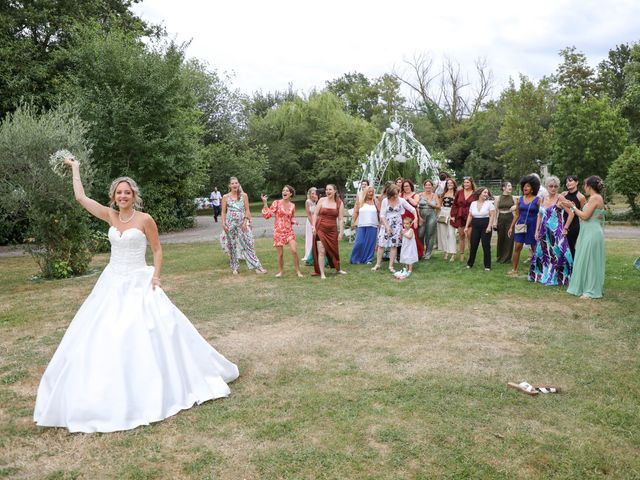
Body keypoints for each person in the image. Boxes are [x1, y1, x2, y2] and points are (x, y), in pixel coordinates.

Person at [34, 156, 239, 433]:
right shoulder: (110, 215)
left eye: (126, 192)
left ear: (133, 196)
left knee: (151, 330)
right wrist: (76, 168)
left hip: (139, 280)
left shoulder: (145, 220)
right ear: (114, 196)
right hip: (111, 282)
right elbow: (81, 198)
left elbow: (157, 250)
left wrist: (156, 274)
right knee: (102, 332)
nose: (122, 196)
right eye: (118, 193)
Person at [563, 176, 606, 299]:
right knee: (586, 258)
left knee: (591, 260)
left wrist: (573, 207)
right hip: (589, 231)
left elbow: (585, 216)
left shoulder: (595, 198)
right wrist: (573, 206)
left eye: (585, 185)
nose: (584, 188)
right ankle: (585, 286)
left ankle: (590, 290)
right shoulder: (593, 198)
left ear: (590, 186)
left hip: (592, 232)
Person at [529, 176, 574, 285]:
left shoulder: (560, 198)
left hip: (556, 232)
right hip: (543, 231)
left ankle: (559, 277)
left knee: (558, 255)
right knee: (543, 254)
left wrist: (565, 228)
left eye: (555, 186)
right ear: (547, 186)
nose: (553, 188)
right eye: (551, 186)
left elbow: (571, 213)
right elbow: (540, 215)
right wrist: (536, 230)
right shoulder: (542, 198)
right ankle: (543, 275)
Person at [220, 177, 267, 275]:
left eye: (236, 183)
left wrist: (246, 221)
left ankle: (257, 267)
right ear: (229, 185)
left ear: (238, 184)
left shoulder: (244, 196)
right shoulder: (225, 197)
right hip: (230, 224)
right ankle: (235, 268)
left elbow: (247, 210)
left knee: (248, 245)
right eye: (232, 183)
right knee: (232, 245)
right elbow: (223, 212)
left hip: (242, 224)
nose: (234, 185)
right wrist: (223, 223)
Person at [371, 185, 418, 273]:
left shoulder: (401, 200)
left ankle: (391, 266)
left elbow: (413, 209)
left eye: (397, 194)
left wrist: (416, 218)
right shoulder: (385, 201)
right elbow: (382, 215)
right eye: (394, 195)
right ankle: (377, 264)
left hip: (397, 225)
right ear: (389, 194)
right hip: (386, 224)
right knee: (381, 244)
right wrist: (387, 227)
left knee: (394, 245)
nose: (396, 196)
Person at [261, 185, 303, 278]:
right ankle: (280, 272)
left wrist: (294, 221)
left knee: (294, 250)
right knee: (280, 254)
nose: (284, 192)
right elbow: (267, 215)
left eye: (287, 191)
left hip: (289, 231)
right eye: (283, 190)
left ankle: (298, 271)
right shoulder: (277, 203)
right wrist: (265, 203)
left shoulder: (293, 205)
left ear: (290, 194)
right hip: (278, 231)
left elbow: (291, 218)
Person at [311, 184, 346, 278]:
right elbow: (315, 214)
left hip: (332, 230)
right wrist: (313, 226)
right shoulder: (322, 200)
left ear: (335, 191)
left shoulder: (339, 203)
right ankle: (322, 273)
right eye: (326, 189)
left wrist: (341, 232)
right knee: (321, 250)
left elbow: (341, 219)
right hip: (320, 228)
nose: (328, 191)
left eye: (330, 189)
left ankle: (338, 268)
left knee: (334, 250)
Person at [508, 175, 541, 275]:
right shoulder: (520, 199)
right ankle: (514, 269)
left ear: (532, 188)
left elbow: (541, 214)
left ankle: (537, 270)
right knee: (517, 247)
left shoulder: (538, 200)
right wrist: (511, 226)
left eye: (528, 186)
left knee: (534, 248)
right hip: (521, 225)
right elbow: (517, 214)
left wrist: (539, 229)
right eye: (524, 186)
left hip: (533, 226)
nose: (525, 188)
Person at [464, 187, 496, 270]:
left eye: (487, 193)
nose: (486, 194)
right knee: (473, 245)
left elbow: (492, 215)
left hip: (485, 225)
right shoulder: (473, 203)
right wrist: (466, 226)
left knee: (486, 246)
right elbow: (470, 215)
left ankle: (487, 266)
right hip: (475, 226)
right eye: (485, 192)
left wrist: (489, 226)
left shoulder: (489, 204)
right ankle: (470, 264)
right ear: (479, 193)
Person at [350, 186, 379, 264]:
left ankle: (368, 259)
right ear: (366, 192)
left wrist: (381, 223)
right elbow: (356, 212)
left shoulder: (375, 201)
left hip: (373, 225)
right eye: (369, 192)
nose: (371, 193)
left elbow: (380, 212)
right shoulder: (360, 201)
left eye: (372, 192)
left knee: (370, 243)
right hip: (361, 224)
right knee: (359, 242)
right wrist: (353, 222)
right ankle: (355, 259)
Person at [450, 176, 476, 263]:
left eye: (468, 182)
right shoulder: (459, 192)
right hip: (460, 215)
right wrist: (453, 215)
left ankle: (470, 254)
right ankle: (461, 254)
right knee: (461, 235)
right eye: (464, 182)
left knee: (469, 235)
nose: (466, 184)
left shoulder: (475, 193)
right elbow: (455, 204)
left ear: (471, 183)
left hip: (471, 215)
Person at [561, 175, 587, 258]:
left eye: (570, 181)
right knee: (561, 246)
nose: (568, 183)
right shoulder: (563, 195)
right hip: (562, 222)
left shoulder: (581, 197)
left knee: (571, 247)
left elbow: (584, 213)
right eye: (566, 182)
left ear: (577, 182)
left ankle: (573, 268)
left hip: (574, 225)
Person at [400, 180, 424, 259]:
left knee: (413, 235)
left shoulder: (415, 195)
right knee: (403, 235)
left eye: (407, 186)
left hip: (412, 217)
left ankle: (417, 253)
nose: (406, 188)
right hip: (403, 216)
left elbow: (415, 204)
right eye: (404, 186)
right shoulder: (400, 195)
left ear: (411, 186)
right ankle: (405, 253)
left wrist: (409, 198)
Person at [495, 181, 517, 264]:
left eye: (511, 185)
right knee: (500, 238)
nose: (510, 187)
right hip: (500, 218)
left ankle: (507, 258)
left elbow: (517, 210)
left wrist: (515, 207)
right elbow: (495, 211)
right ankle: (500, 257)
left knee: (509, 238)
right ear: (503, 188)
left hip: (510, 218)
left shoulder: (513, 198)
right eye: (508, 186)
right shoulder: (498, 198)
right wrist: (494, 222)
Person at [437, 178, 457, 261]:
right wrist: (438, 214)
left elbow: (457, 205)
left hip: (452, 213)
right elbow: (439, 204)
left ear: (454, 184)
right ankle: (445, 251)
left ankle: (453, 253)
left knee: (451, 234)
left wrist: (455, 215)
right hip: (443, 212)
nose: (450, 184)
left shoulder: (457, 193)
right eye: (448, 183)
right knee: (443, 233)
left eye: (451, 183)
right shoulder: (443, 193)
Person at [418, 179, 438, 260]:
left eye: (429, 185)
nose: (428, 186)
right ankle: (421, 251)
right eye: (426, 185)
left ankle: (428, 253)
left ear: (432, 186)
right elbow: (416, 206)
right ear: (424, 186)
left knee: (430, 235)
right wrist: (419, 217)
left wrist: (431, 204)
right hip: (422, 215)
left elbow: (439, 206)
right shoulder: (419, 195)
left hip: (431, 215)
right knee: (420, 235)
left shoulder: (435, 195)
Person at [303, 187, 318, 265]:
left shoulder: (319, 201)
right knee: (310, 237)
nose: (313, 195)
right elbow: (308, 214)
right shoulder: (308, 202)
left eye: (315, 193)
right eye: (312, 193)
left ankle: (316, 253)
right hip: (310, 221)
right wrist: (313, 224)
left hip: (318, 221)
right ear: (309, 194)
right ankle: (308, 254)